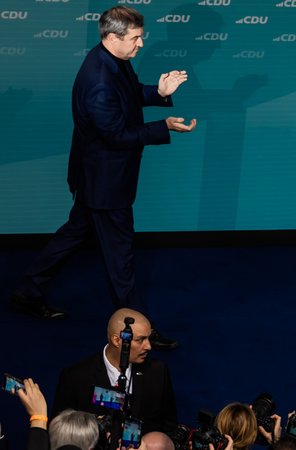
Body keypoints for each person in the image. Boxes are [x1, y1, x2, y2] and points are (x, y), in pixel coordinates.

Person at [8, 5, 196, 350]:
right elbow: (116, 135)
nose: (141, 45)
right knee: (121, 256)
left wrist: (161, 91)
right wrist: (163, 126)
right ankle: (139, 332)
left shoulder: (111, 61)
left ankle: (27, 291)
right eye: (136, 39)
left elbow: (131, 94)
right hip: (106, 182)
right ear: (112, 37)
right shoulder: (97, 82)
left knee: (74, 234)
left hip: (99, 176)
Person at [53, 308, 177, 435]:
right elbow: (61, 432)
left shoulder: (157, 371)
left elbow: (168, 425)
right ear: (117, 340)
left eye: (149, 338)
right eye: (140, 340)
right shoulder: (76, 377)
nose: (149, 346)